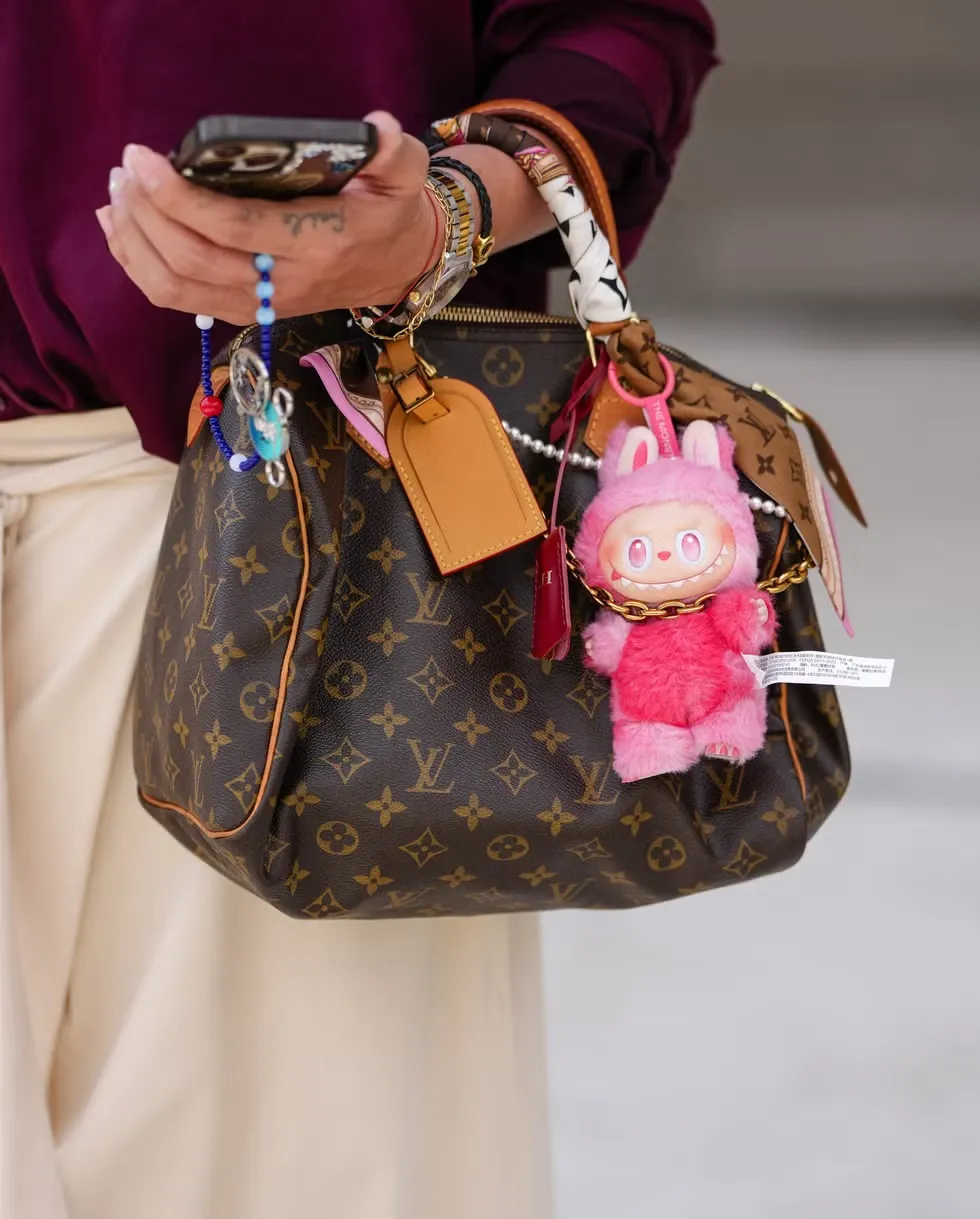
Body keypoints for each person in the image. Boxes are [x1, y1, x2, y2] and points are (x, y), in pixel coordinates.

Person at [0, 3, 716, 1216]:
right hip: (246, 530)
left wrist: (447, 212)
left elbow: (614, 27)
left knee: (295, 1164)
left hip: (263, 544)